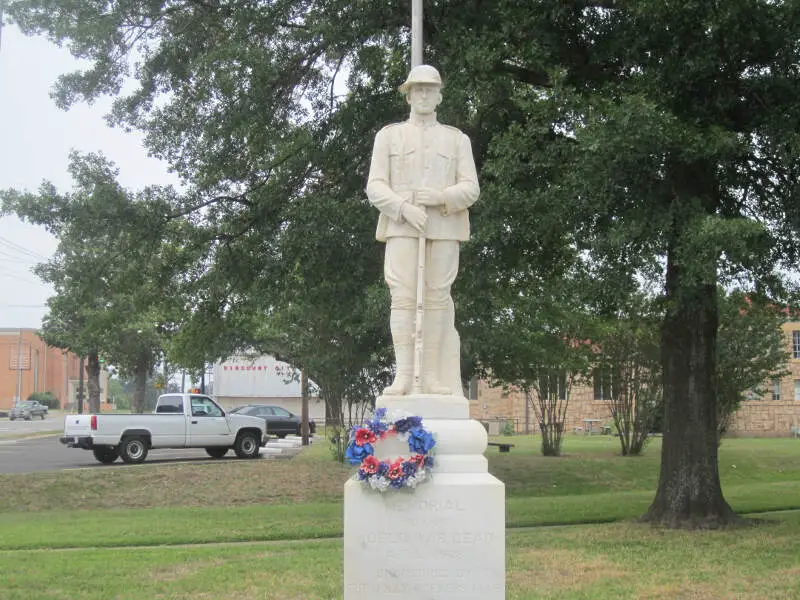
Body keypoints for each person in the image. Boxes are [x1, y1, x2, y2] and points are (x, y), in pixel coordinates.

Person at [366, 64, 480, 396]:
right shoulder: (389, 136)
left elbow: (471, 189)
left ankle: (429, 376)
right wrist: (403, 209)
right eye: (418, 90)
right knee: (402, 299)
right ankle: (404, 376)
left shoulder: (456, 139)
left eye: (430, 89)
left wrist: (442, 197)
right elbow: (375, 186)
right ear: (408, 95)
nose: (424, 95)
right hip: (402, 228)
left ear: (440, 95)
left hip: (444, 228)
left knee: (436, 299)